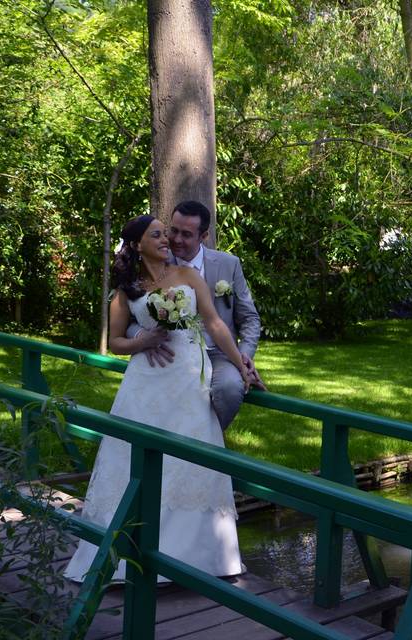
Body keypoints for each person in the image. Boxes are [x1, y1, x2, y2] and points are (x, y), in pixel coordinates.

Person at [64, 214, 249, 583]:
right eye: (157, 235)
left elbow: (214, 323)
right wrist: (142, 342)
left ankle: (201, 561)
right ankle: (125, 558)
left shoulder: (187, 277)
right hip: (146, 385)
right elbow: (116, 341)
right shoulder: (127, 290)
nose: (167, 240)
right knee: (134, 462)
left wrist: (242, 368)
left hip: (188, 381)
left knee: (191, 461)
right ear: (136, 244)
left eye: (167, 234)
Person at [133, 200, 265, 433]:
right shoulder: (156, 262)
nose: (176, 239)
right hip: (172, 352)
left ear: (203, 235)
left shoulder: (228, 264)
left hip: (220, 352)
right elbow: (133, 313)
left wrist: (243, 357)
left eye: (186, 234)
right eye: (173, 230)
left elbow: (250, 318)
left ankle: (206, 444)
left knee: (230, 388)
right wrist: (143, 337)